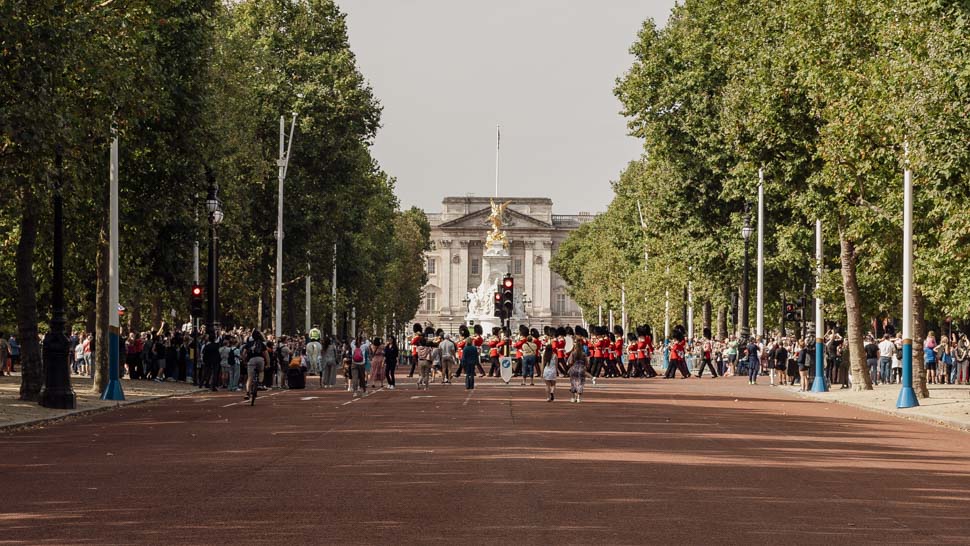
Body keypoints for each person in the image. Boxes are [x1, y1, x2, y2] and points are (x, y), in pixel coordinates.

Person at [243, 331, 268, 400]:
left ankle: (247, 393)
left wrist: (244, 360)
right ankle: (260, 383)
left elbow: (244, 353)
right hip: (260, 359)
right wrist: (268, 363)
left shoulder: (248, 344)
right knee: (261, 371)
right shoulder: (262, 344)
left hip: (251, 360)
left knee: (250, 377)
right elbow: (266, 354)